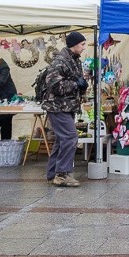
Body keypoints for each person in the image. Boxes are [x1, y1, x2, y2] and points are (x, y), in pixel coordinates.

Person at [42, 31, 88, 187]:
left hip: (67, 106)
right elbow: (53, 85)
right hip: (57, 106)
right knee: (70, 137)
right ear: (74, 45)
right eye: (82, 44)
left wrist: (82, 86)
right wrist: (76, 85)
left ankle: (52, 173)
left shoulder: (75, 61)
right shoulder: (60, 62)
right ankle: (62, 175)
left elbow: (74, 83)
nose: (84, 47)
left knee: (62, 140)